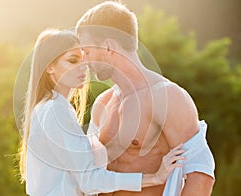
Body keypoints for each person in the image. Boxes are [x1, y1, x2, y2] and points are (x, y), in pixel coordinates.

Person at [17, 29, 185, 196]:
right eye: (73, 60)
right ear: (50, 67)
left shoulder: (48, 108)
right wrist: (154, 178)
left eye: (84, 59)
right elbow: (90, 181)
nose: (83, 67)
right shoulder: (55, 110)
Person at [76, 1, 215, 196]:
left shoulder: (167, 98)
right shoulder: (103, 103)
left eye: (87, 51)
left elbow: (201, 175)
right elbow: (89, 175)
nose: (84, 60)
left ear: (108, 46)